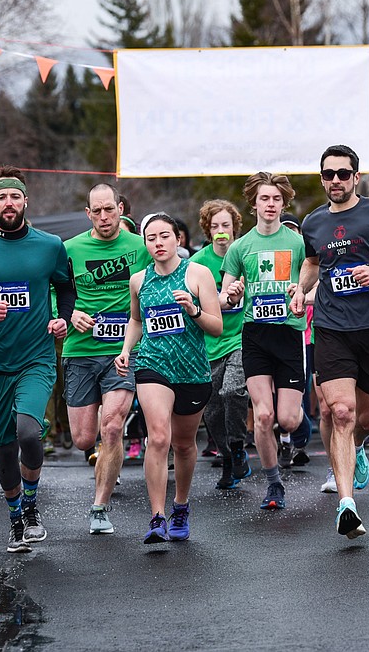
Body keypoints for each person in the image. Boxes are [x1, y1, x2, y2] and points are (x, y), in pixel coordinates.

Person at [290, 145, 369, 539]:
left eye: (342, 174)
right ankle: (346, 504)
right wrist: (300, 291)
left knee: (365, 419)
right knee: (341, 413)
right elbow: (313, 263)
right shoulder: (313, 222)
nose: (335, 181)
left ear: (356, 177)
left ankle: (358, 448)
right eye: (328, 175)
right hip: (331, 328)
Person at [0, 167, 74, 553]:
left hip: (36, 358)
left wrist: (63, 319)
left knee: (28, 432)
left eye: (15, 197)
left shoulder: (50, 245)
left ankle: (33, 503)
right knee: (4, 448)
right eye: (2, 197)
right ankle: (16, 517)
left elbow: (65, 288)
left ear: (25, 201)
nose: (9, 203)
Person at [114, 213, 222, 543]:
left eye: (164, 236)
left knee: (184, 444)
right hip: (153, 365)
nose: (158, 243)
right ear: (145, 244)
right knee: (159, 437)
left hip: (192, 370)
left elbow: (216, 327)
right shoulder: (138, 280)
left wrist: (194, 311)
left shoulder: (198, 274)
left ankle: (181, 506)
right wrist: (126, 350)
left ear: (178, 239)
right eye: (151, 238)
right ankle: (157, 516)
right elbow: (136, 320)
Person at [62, 184, 150, 535]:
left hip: (124, 350)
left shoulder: (140, 248)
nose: (103, 217)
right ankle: (100, 453)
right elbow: (54, 292)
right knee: (84, 439)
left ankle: (100, 506)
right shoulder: (69, 249)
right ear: (88, 214)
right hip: (81, 350)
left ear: (120, 208)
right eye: (96, 211)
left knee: (112, 426)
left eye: (109, 210)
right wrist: (70, 314)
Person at [219, 172, 307, 511]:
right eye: (264, 199)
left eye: (276, 200)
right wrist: (234, 292)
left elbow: (311, 284)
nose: (270, 205)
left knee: (288, 419)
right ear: (253, 203)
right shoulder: (241, 247)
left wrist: (301, 292)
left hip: (288, 333)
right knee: (264, 416)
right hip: (255, 334)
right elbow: (226, 297)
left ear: (284, 204)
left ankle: (301, 421)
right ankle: (274, 485)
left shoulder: (298, 244)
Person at [190, 199, 252, 490]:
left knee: (233, 390)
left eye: (226, 225)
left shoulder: (245, 254)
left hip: (239, 336)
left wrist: (242, 292)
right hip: (208, 343)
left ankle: (239, 445)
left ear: (234, 228)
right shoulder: (199, 262)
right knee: (211, 410)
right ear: (207, 229)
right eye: (215, 226)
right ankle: (228, 457)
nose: (221, 231)